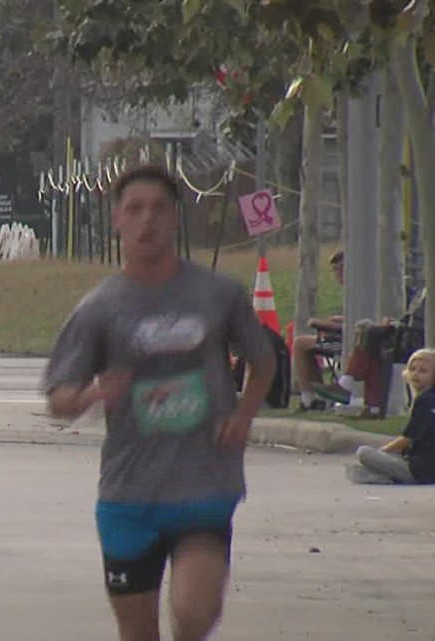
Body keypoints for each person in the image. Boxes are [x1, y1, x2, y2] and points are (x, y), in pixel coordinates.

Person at [43, 164, 276, 641]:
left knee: (194, 614)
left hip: (204, 485)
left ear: (175, 219)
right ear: (116, 220)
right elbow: (58, 398)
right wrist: (93, 393)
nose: (146, 221)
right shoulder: (99, 308)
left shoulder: (217, 294)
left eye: (158, 209)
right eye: (135, 209)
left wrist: (242, 415)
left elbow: (263, 362)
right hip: (129, 494)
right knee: (137, 632)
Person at [314, 287, 426, 416]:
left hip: (418, 340)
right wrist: (394, 323)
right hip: (410, 335)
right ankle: (372, 406)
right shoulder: (424, 290)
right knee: (371, 338)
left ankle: (347, 386)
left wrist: (395, 325)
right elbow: (411, 319)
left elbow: (419, 323)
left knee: (371, 335)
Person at [347, 348, 435, 485]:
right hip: (422, 464)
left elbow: (407, 439)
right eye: (413, 369)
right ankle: (384, 476)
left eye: (423, 371)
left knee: (363, 453)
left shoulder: (426, 400)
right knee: (361, 470)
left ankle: (389, 477)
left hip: (420, 469)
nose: (416, 374)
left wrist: (382, 452)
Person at [290, 250, 345, 411]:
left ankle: (309, 399)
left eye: (340, 268)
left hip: (351, 344)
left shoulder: (359, 291)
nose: (337, 273)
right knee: (309, 347)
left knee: (300, 343)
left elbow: (356, 324)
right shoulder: (354, 290)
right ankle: (319, 397)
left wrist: (325, 325)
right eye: (334, 269)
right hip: (346, 340)